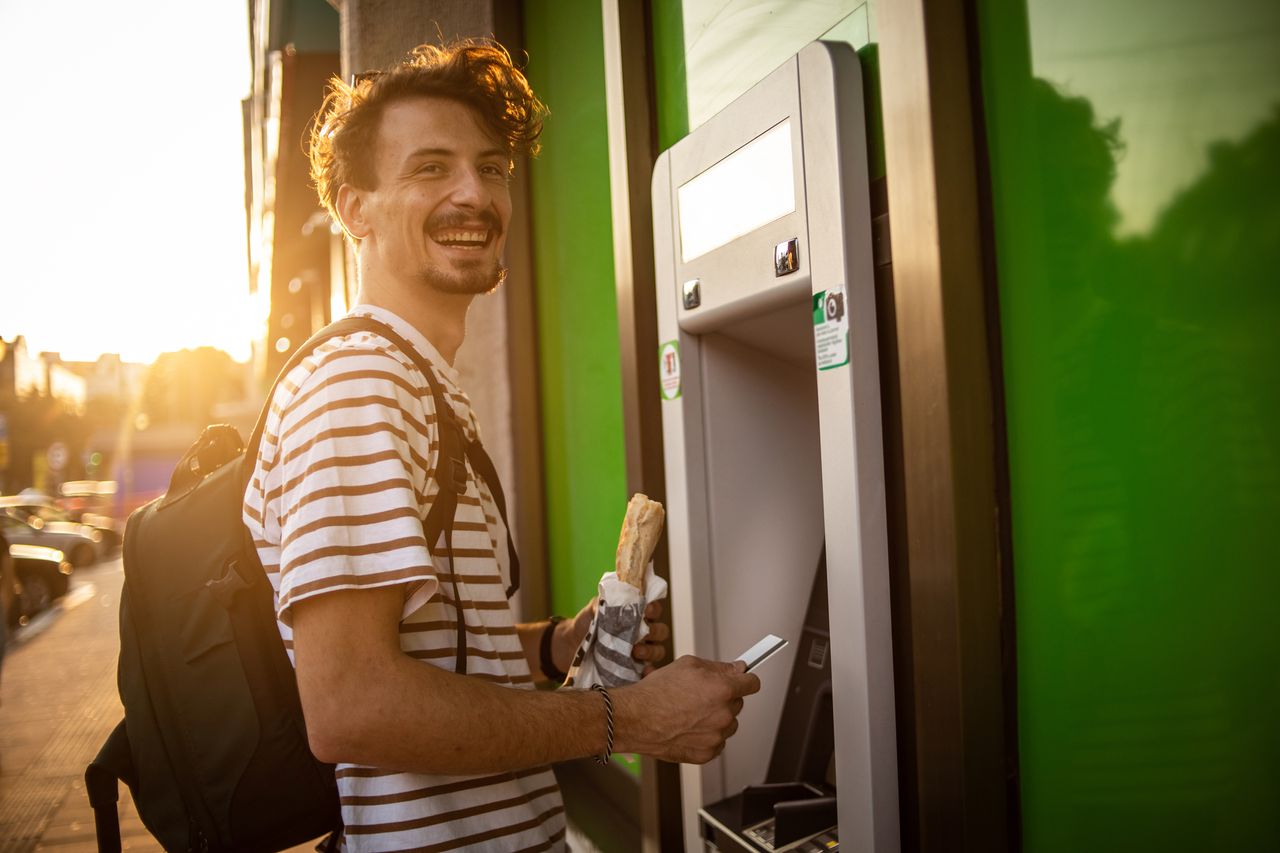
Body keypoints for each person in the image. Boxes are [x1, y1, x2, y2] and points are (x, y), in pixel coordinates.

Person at [242, 39, 760, 851]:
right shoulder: (356, 386)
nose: (472, 194)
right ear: (355, 210)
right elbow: (351, 705)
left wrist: (556, 643)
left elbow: (434, 656)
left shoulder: (418, 384)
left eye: (491, 168)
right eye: (430, 169)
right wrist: (629, 720)